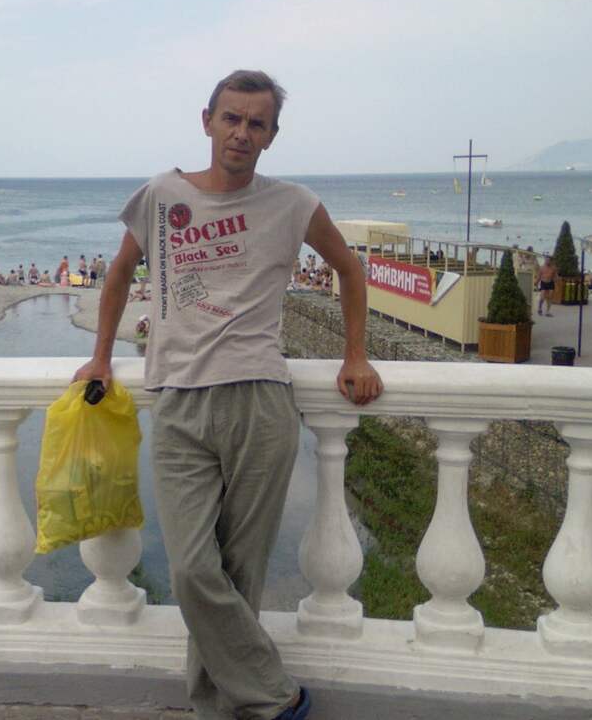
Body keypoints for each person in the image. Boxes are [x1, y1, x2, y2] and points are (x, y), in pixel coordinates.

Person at [73, 69, 382, 720]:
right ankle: (277, 696)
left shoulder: (293, 203)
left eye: (256, 123)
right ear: (207, 120)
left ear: (272, 135)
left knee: (240, 572)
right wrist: (100, 356)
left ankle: (219, 710)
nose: (241, 133)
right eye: (231, 118)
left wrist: (355, 354)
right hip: (179, 400)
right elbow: (120, 274)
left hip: (258, 400)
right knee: (192, 569)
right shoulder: (162, 194)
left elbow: (350, 269)